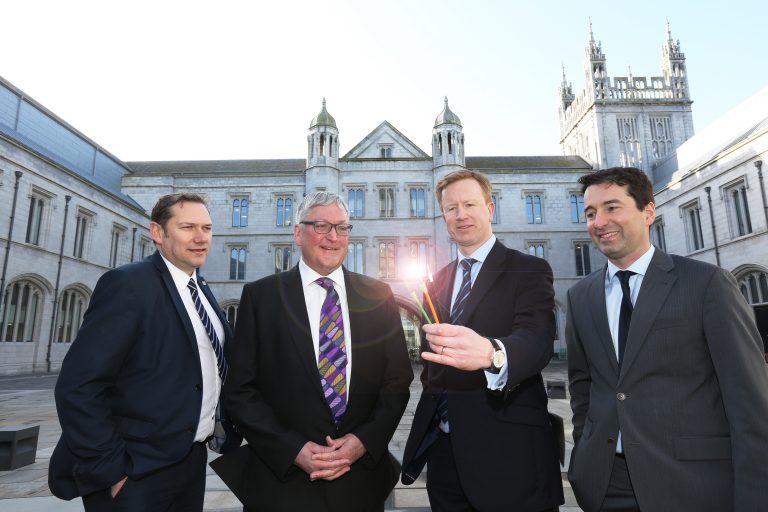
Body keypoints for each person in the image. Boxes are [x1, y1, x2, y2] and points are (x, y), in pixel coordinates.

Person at [566, 166, 768, 512]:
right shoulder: (580, 296)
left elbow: (749, 404)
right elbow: (584, 390)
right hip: (606, 486)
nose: (599, 222)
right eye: (590, 212)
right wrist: (586, 457)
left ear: (648, 212)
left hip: (692, 485)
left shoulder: (707, 284)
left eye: (612, 208)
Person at [211, 191, 413, 512]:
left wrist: (363, 442)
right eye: (321, 226)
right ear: (297, 233)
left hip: (359, 483)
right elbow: (240, 392)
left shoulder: (378, 295)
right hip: (282, 484)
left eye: (342, 228)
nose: (333, 237)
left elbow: (397, 382)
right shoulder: (261, 297)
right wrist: (293, 449)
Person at [48, 193, 236, 512]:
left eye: (207, 227)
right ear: (158, 232)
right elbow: (78, 387)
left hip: (190, 462)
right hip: (137, 471)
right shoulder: (127, 285)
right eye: (187, 226)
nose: (200, 237)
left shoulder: (201, 291)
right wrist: (114, 471)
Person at [401, 170, 564, 512]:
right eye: (451, 208)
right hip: (445, 456)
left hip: (509, 455)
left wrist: (493, 353)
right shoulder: (437, 280)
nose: (461, 215)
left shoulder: (529, 269)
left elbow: (536, 340)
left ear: (490, 209)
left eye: (470, 204)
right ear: (443, 216)